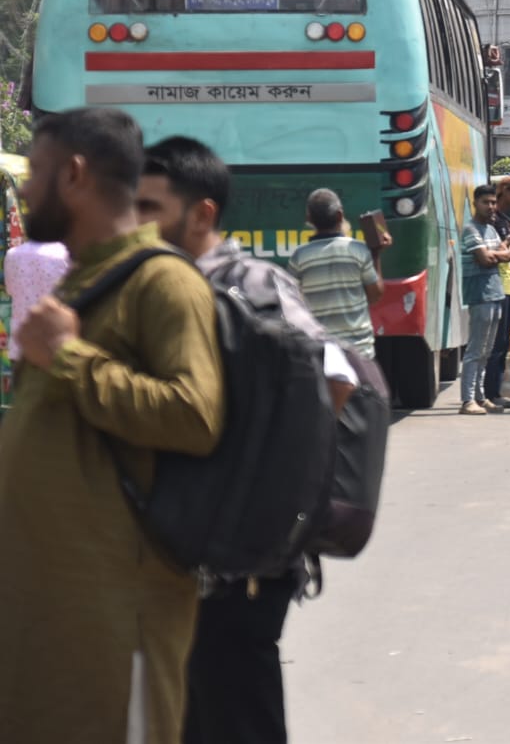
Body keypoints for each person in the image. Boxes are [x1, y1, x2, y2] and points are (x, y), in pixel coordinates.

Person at [0, 108, 226, 743]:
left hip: (111, 624)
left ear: (73, 175)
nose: (22, 188)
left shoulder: (162, 282)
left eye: (35, 172)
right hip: (49, 617)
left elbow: (193, 414)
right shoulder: (81, 281)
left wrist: (71, 358)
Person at [138, 136, 359, 744]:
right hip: (183, 550)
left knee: (235, 710)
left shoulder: (252, 284)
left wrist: (259, 488)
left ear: (201, 213)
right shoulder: (161, 288)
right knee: (192, 709)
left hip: (239, 560)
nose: (137, 225)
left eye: (150, 209)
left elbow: (337, 379)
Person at [287, 188, 389, 359]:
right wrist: (376, 254)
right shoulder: (358, 250)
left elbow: (291, 302)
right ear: (340, 216)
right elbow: (375, 295)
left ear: (309, 220)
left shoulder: (299, 257)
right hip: (359, 353)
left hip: (321, 353)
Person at [460, 184, 510, 413]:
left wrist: (496, 255)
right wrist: (496, 255)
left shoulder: (490, 229)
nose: (491, 207)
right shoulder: (471, 229)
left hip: (495, 292)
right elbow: (483, 259)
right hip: (480, 294)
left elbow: (506, 254)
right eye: (486, 202)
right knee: (475, 350)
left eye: (493, 202)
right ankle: (467, 400)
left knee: (487, 351)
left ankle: (480, 397)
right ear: (475, 204)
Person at [483, 177, 510, 406]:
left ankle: (495, 392)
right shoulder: (493, 221)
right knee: (495, 343)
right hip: (497, 287)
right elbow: (500, 252)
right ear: (502, 191)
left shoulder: (505, 220)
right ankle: (489, 393)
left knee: (502, 343)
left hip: (507, 286)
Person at [2, 237, 70, 361]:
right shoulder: (65, 254)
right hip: (52, 342)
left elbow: (10, 290)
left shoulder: (12, 254)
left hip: (20, 340)